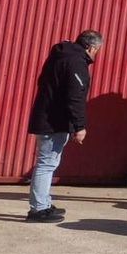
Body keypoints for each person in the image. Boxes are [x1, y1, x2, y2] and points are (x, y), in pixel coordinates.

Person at [25, 29, 102, 223]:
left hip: (49, 117)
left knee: (49, 162)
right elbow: (75, 97)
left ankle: (44, 202)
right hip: (54, 121)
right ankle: (38, 209)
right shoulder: (76, 62)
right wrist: (79, 126)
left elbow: (42, 81)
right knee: (46, 164)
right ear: (91, 47)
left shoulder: (60, 56)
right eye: (97, 49)